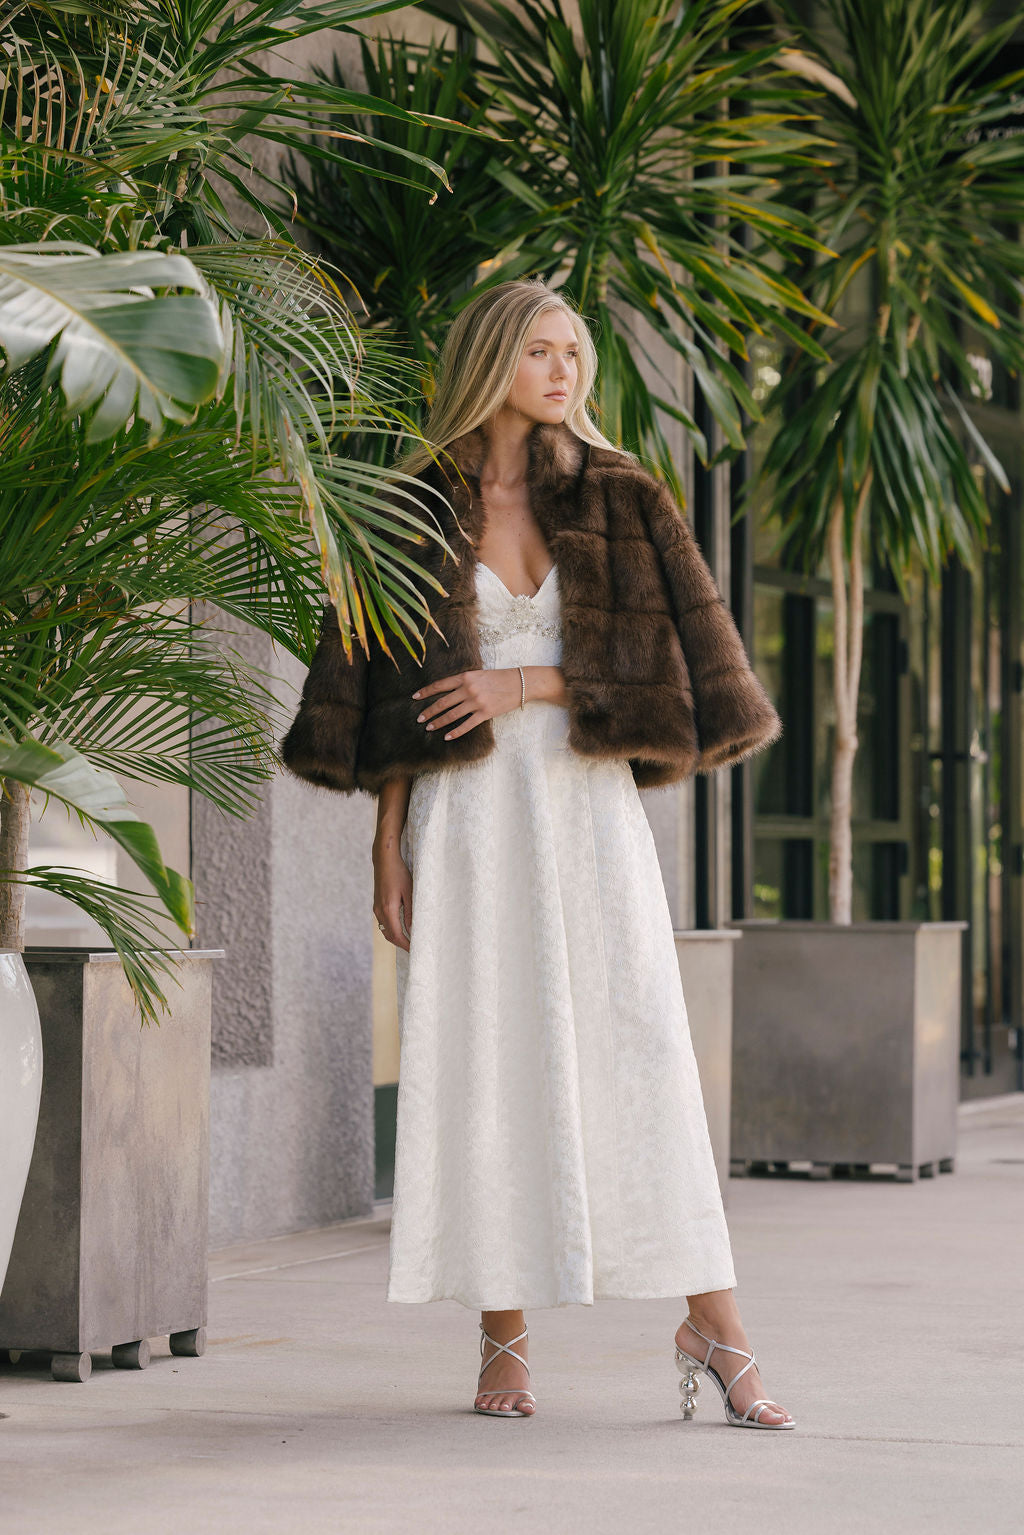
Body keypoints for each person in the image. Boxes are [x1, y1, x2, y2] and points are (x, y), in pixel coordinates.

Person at [282, 279, 793, 1429]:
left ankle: (718, 1323)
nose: (564, 372)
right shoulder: (414, 505)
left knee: (639, 1052)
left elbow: (673, 679)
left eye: (575, 353)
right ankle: (502, 1334)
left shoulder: (621, 494)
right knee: (483, 1056)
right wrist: (384, 841)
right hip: (461, 824)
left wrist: (524, 681)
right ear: (489, 359)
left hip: (585, 814)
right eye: (541, 351)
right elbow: (384, 698)